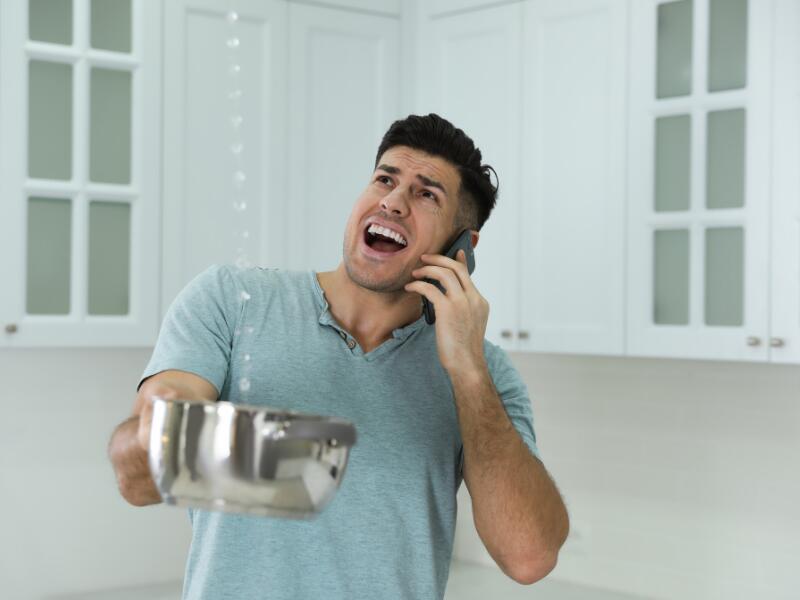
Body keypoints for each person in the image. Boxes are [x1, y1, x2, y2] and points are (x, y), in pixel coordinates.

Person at [108, 113, 569, 599]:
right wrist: (168, 425)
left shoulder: (484, 374)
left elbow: (528, 556)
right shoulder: (232, 301)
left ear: (461, 249)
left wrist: (468, 373)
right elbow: (136, 480)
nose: (393, 201)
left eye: (426, 193)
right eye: (385, 179)